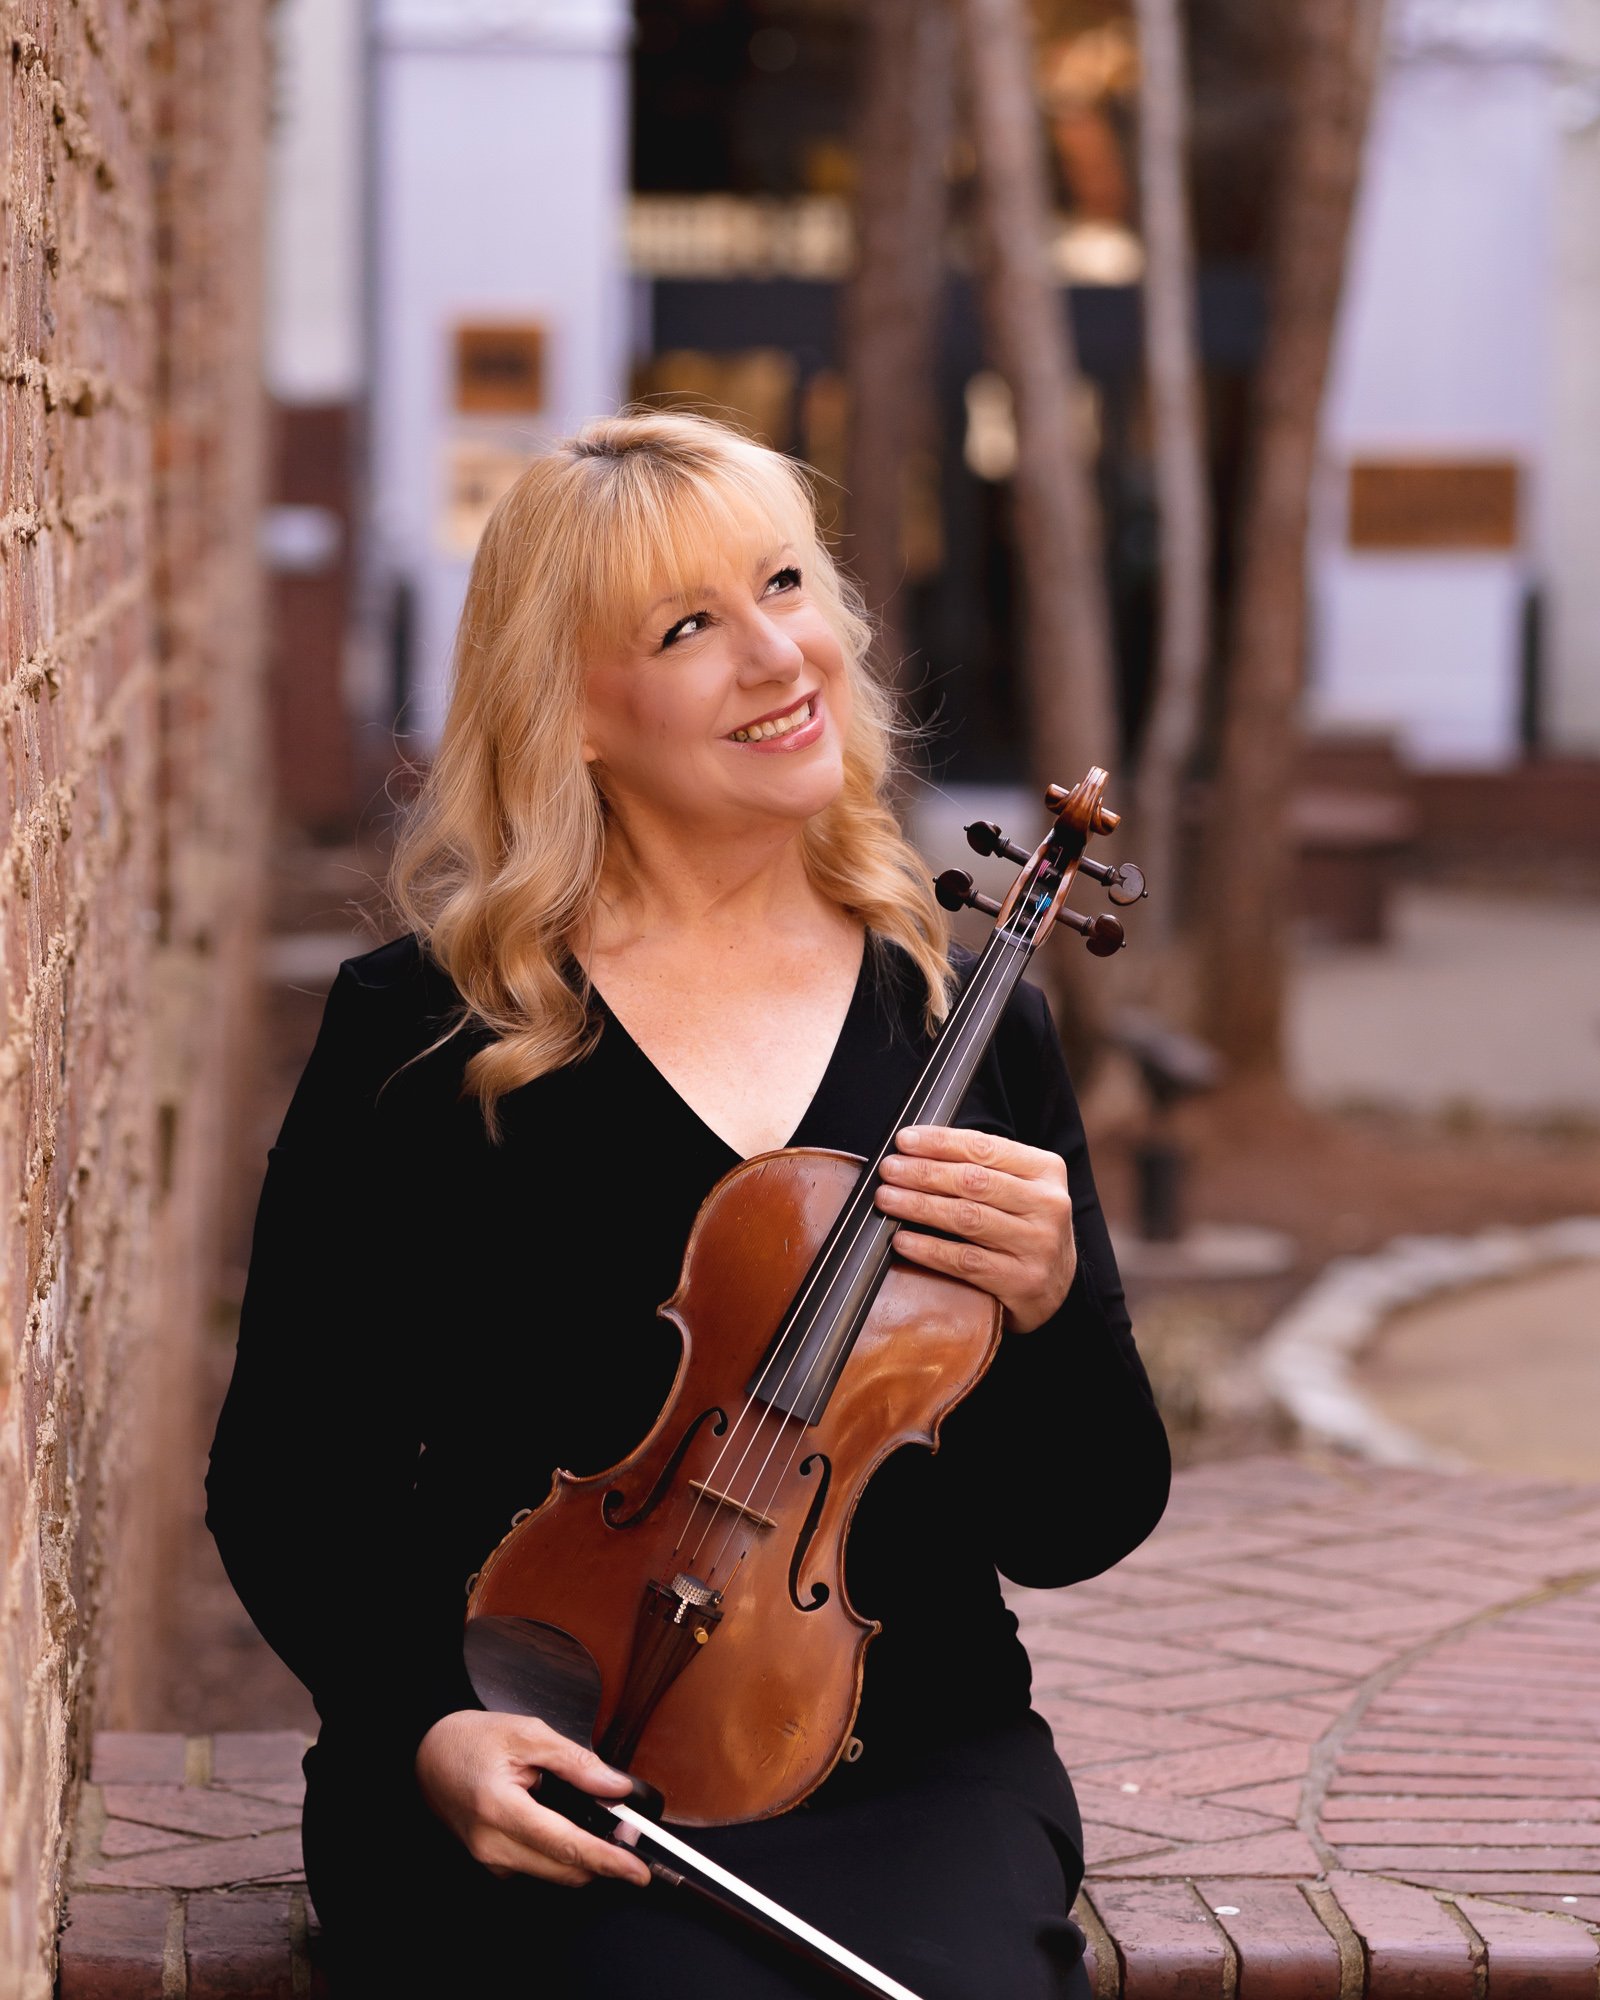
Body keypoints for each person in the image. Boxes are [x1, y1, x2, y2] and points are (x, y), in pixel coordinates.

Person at [206, 408, 1171, 1999]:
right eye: (688, 626)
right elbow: (292, 1470)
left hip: (898, 1753)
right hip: (536, 1739)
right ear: (576, 711)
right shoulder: (430, 1030)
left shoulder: (960, 1016)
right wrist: (425, 1731)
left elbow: (1079, 1526)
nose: (778, 657)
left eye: (787, 585)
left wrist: (1055, 1310)